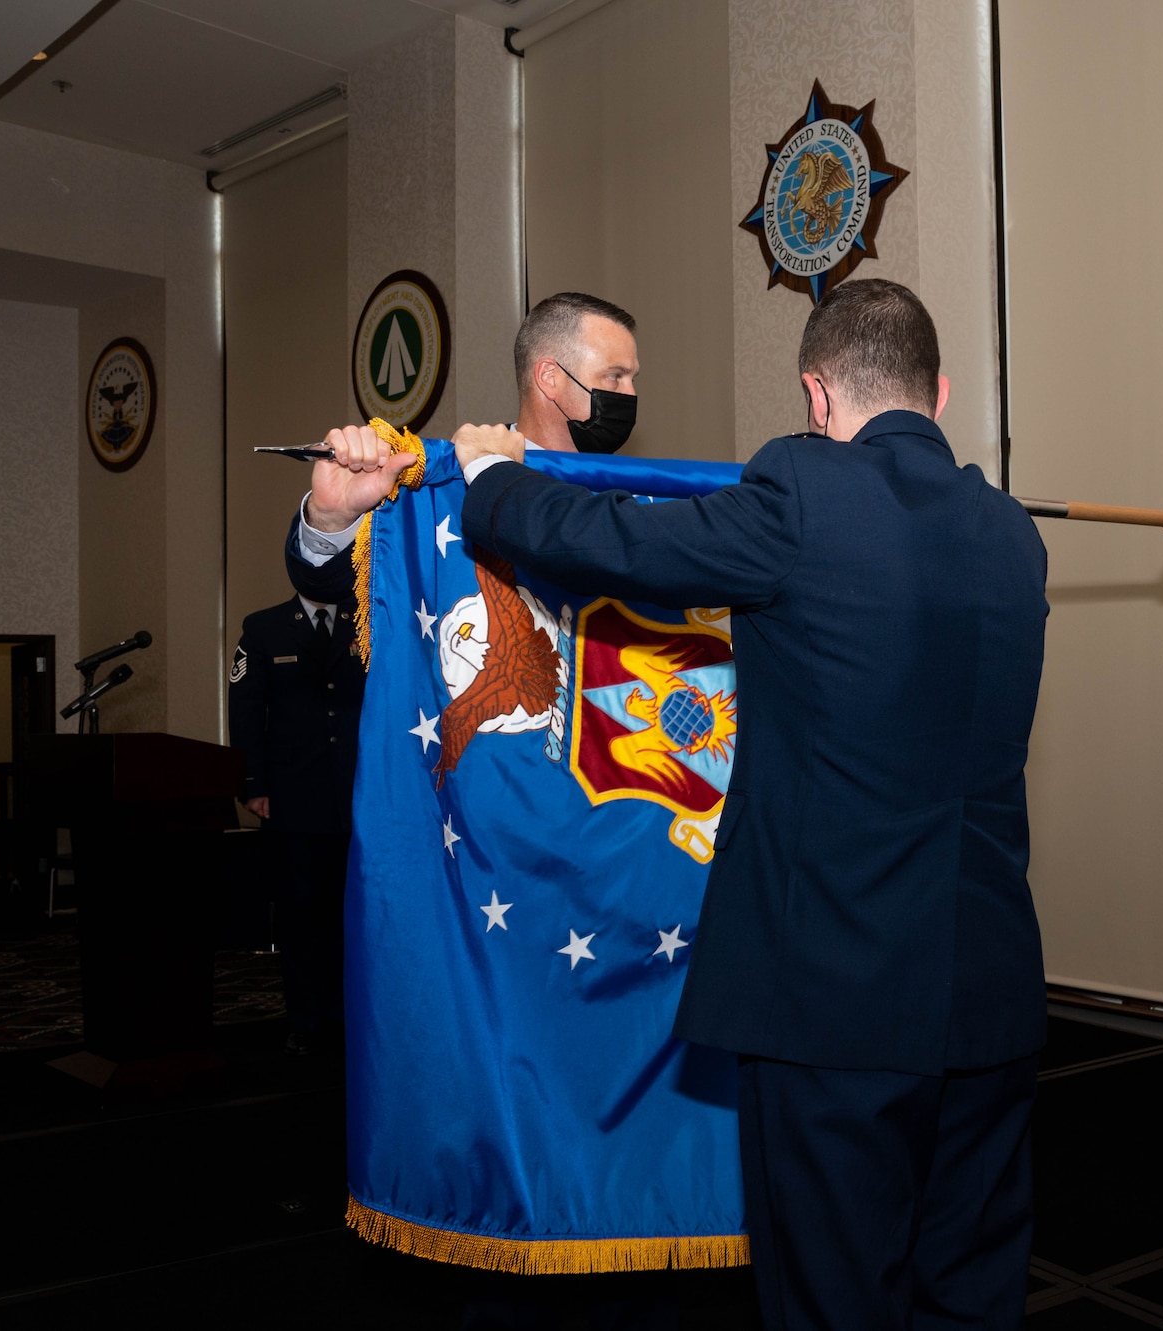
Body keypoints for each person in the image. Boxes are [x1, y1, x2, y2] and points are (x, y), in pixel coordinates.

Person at [313, 278, 1050, 1330]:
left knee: (837, 1293)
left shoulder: (800, 486)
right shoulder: (1008, 532)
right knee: (969, 1290)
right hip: (989, 990)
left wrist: (488, 478)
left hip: (834, 1003)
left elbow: (624, 551)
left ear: (814, 395)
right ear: (934, 392)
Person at [286, 291, 640, 600]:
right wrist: (331, 517)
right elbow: (333, 588)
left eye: (632, 378)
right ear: (550, 378)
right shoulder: (443, 481)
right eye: (615, 376)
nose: (630, 395)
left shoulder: (636, 496)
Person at [227, 582, 365, 1054]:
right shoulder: (263, 627)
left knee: (350, 915)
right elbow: (245, 709)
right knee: (299, 915)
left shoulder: (365, 619)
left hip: (357, 795)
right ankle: (305, 1021)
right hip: (291, 797)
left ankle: (348, 1017)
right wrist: (252, 784)